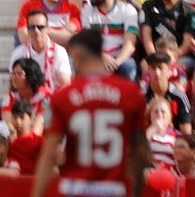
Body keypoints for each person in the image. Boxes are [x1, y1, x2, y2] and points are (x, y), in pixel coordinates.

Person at [27, 28, 146, 197]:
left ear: (77, 54)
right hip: (114, 189)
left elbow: (50, 153)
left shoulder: (64, 97)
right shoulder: (131, 94)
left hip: (76, 188)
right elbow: (139, 149)